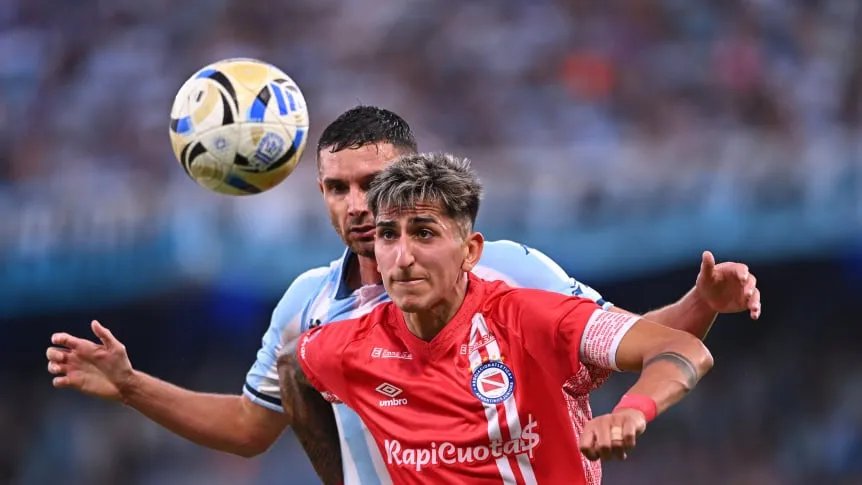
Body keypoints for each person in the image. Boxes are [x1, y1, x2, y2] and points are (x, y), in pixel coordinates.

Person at [46, 106, 760, 485]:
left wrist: (696, 308)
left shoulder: (508, 274)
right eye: (337, 188)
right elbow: (249, 425)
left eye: (373, 184)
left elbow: (623, 339)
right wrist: (133, 385)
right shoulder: (309, 310)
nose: (357, 205)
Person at [281, 152, 715, 484]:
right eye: (388, 235)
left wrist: (632, 412)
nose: (403, 257)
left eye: (424, 233)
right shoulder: (347, 346)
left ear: (470, 251)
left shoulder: (530, 319)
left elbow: (681, 348)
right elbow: (295, 368)